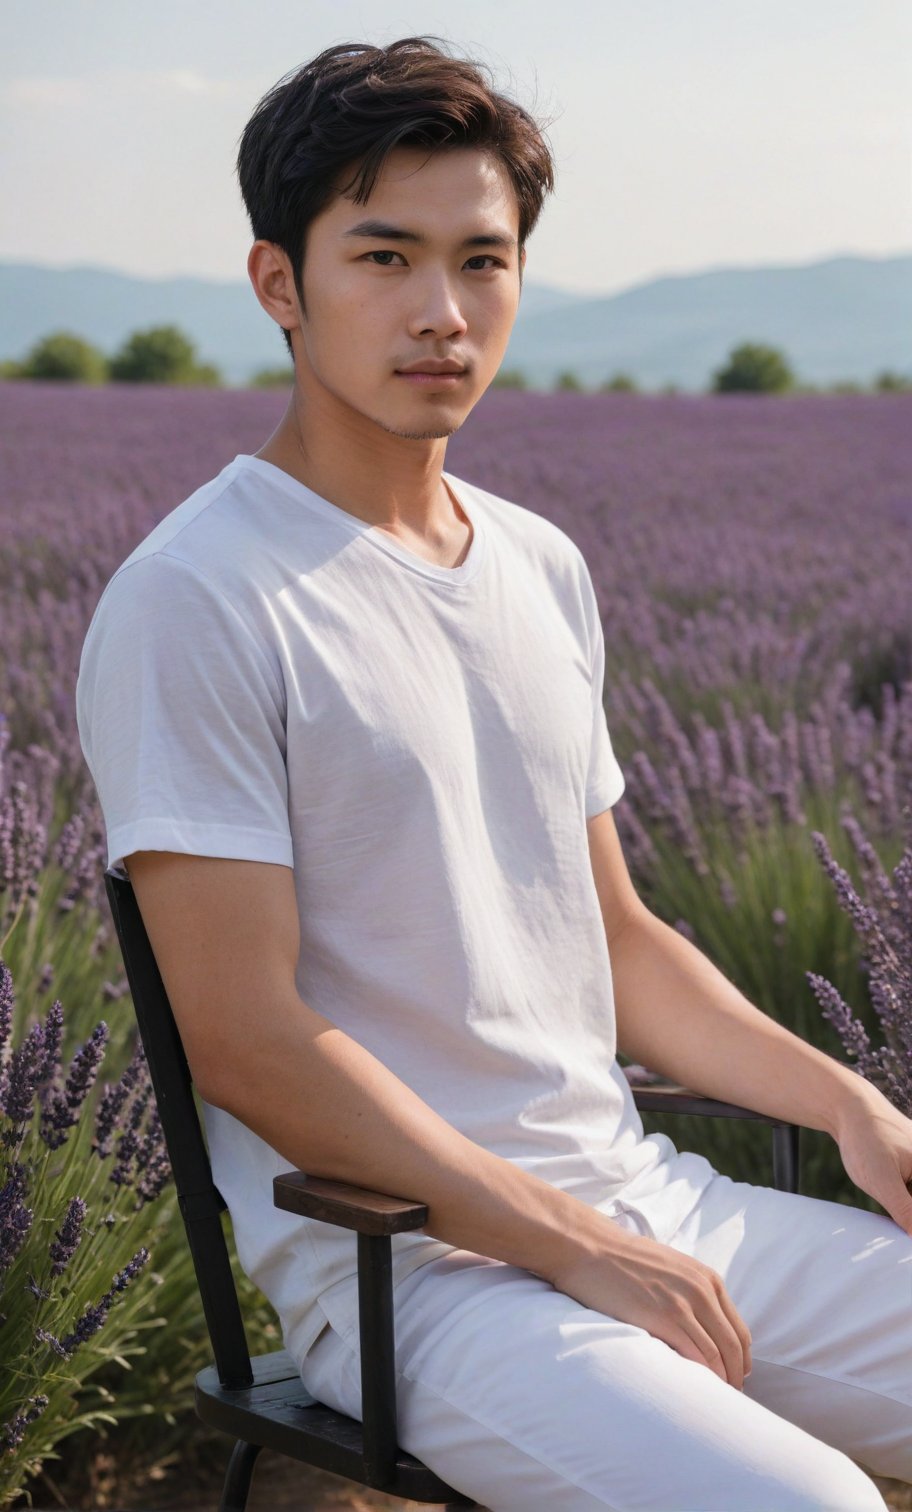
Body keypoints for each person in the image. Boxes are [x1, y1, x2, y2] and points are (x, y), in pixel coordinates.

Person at [75, 35, 912, 1511]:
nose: (442, 314)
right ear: (281, 284)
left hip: (652, 1203)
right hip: (418, 1277)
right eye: (384, 257)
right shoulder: (200, 594)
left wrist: (851, 1105)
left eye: (483, 260)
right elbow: (248, 1040)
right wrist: (566, 1243)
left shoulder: (539, 563)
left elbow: (619, 940)